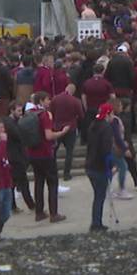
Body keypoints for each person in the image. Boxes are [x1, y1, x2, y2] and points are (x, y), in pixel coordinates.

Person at [27, 92, 70, 223]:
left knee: (38, 182)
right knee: (52, 182)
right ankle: (54, 213)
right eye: (47, 99)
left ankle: (39, 212)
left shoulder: (29, 114)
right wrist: (62, 132)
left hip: (32, 153)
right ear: (41, 100)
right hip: (45, 152)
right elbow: (48, 136)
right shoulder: (44, 115)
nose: (49, 101)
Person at [85, 102, 115, 232]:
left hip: (90, 164)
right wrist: (111, 166)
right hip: (100, 166)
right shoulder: (106, 128)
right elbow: (106, 149)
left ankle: (96, 221)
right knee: (100, 196)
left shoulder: (93, 125)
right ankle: (96, 223)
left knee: (98, 195)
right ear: (108, 114)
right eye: (112, 113)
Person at [49, 83, 83, 181]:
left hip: (57, 127)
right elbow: (81, 115)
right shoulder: (76, 101)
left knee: (54, 151)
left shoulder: (55, 99)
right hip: (71, 128)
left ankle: (53, 171)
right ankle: (66, 174)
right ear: (73, 91)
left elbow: (51, 112)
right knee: (69, 152)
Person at [4, 102, 34, 212]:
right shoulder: (10, 123)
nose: (21, 113)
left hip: (14, 155)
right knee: (23, 182)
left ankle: (13, 206)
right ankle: (31, 205)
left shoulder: (11, 122)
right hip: (15, 156)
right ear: (11, 111)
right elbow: (18, 136)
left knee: (14, 182)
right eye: (18, 111)